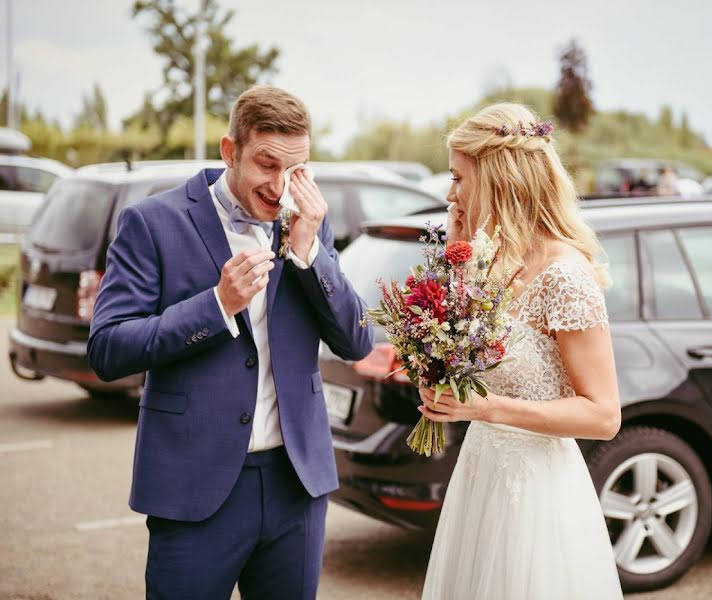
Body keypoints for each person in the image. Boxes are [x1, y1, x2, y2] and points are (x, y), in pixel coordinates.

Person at [87, 85, 373, 599]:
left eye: (296, 170)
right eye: (267, 165)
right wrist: (216, 304)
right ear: (229, 151)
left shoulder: (310, 224)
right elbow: (108, 348)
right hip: (194, 487)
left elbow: (356, 342)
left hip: (296, 486)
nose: (281, 186)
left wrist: (310, 256)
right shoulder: (152, 223)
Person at [419, 103, 623, 599]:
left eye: (458, 179)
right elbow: (460, 363)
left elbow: (603, 415)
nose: (450, 193)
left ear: (497, 179)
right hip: (479, 476)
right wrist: (456, 254)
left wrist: (486, 408)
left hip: (537, 494)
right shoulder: (488, 261)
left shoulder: (565, 275)